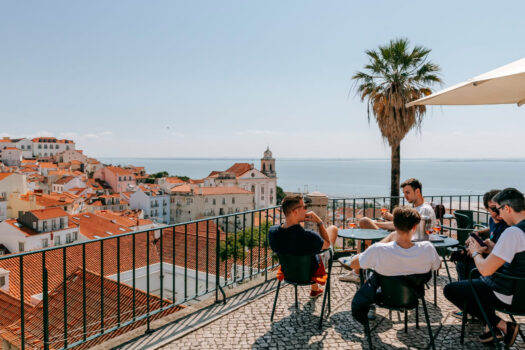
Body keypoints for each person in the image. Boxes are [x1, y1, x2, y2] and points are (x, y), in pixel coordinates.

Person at [444, 188, 525, 346]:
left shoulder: (513, 232)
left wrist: (475, 253)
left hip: (509, 295)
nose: (499, 215)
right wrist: (492, 250)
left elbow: (485, 269)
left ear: (507, 208)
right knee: (474, 282)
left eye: (500, 210)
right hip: (521, 292)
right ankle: (494, 327)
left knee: (452, 289)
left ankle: (502, 325)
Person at [350, 206, 441, 325]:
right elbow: (437, 266)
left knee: (369, 271)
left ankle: (370, 307)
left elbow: (354, 264)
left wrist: (387, 239)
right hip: (413, 297)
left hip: (383, 297)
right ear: (414, 227)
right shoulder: (427, 248)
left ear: (394, 225)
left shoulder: (379, 249)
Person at [269, 194, 338, 298]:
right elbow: (327, 244)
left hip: (289, 272)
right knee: (333, 229)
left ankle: (315, 290)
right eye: (305, 207)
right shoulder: (309, 236)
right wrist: (319, 222)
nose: (307, 210)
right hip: (309, 273)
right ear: (295, 212)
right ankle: (315, 289)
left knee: (308, 250)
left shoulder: (273, 232)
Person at [455, 189, 509, 281]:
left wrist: (477, 251)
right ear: (487, 209)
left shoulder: (508, 224)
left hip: (496, 266)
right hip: (488, 256)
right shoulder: (493, 220)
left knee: (463, 264)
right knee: (462, 258)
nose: (499, 211)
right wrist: (478, 233)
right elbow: (491, 229)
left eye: (501, 207)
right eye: (494, 208)